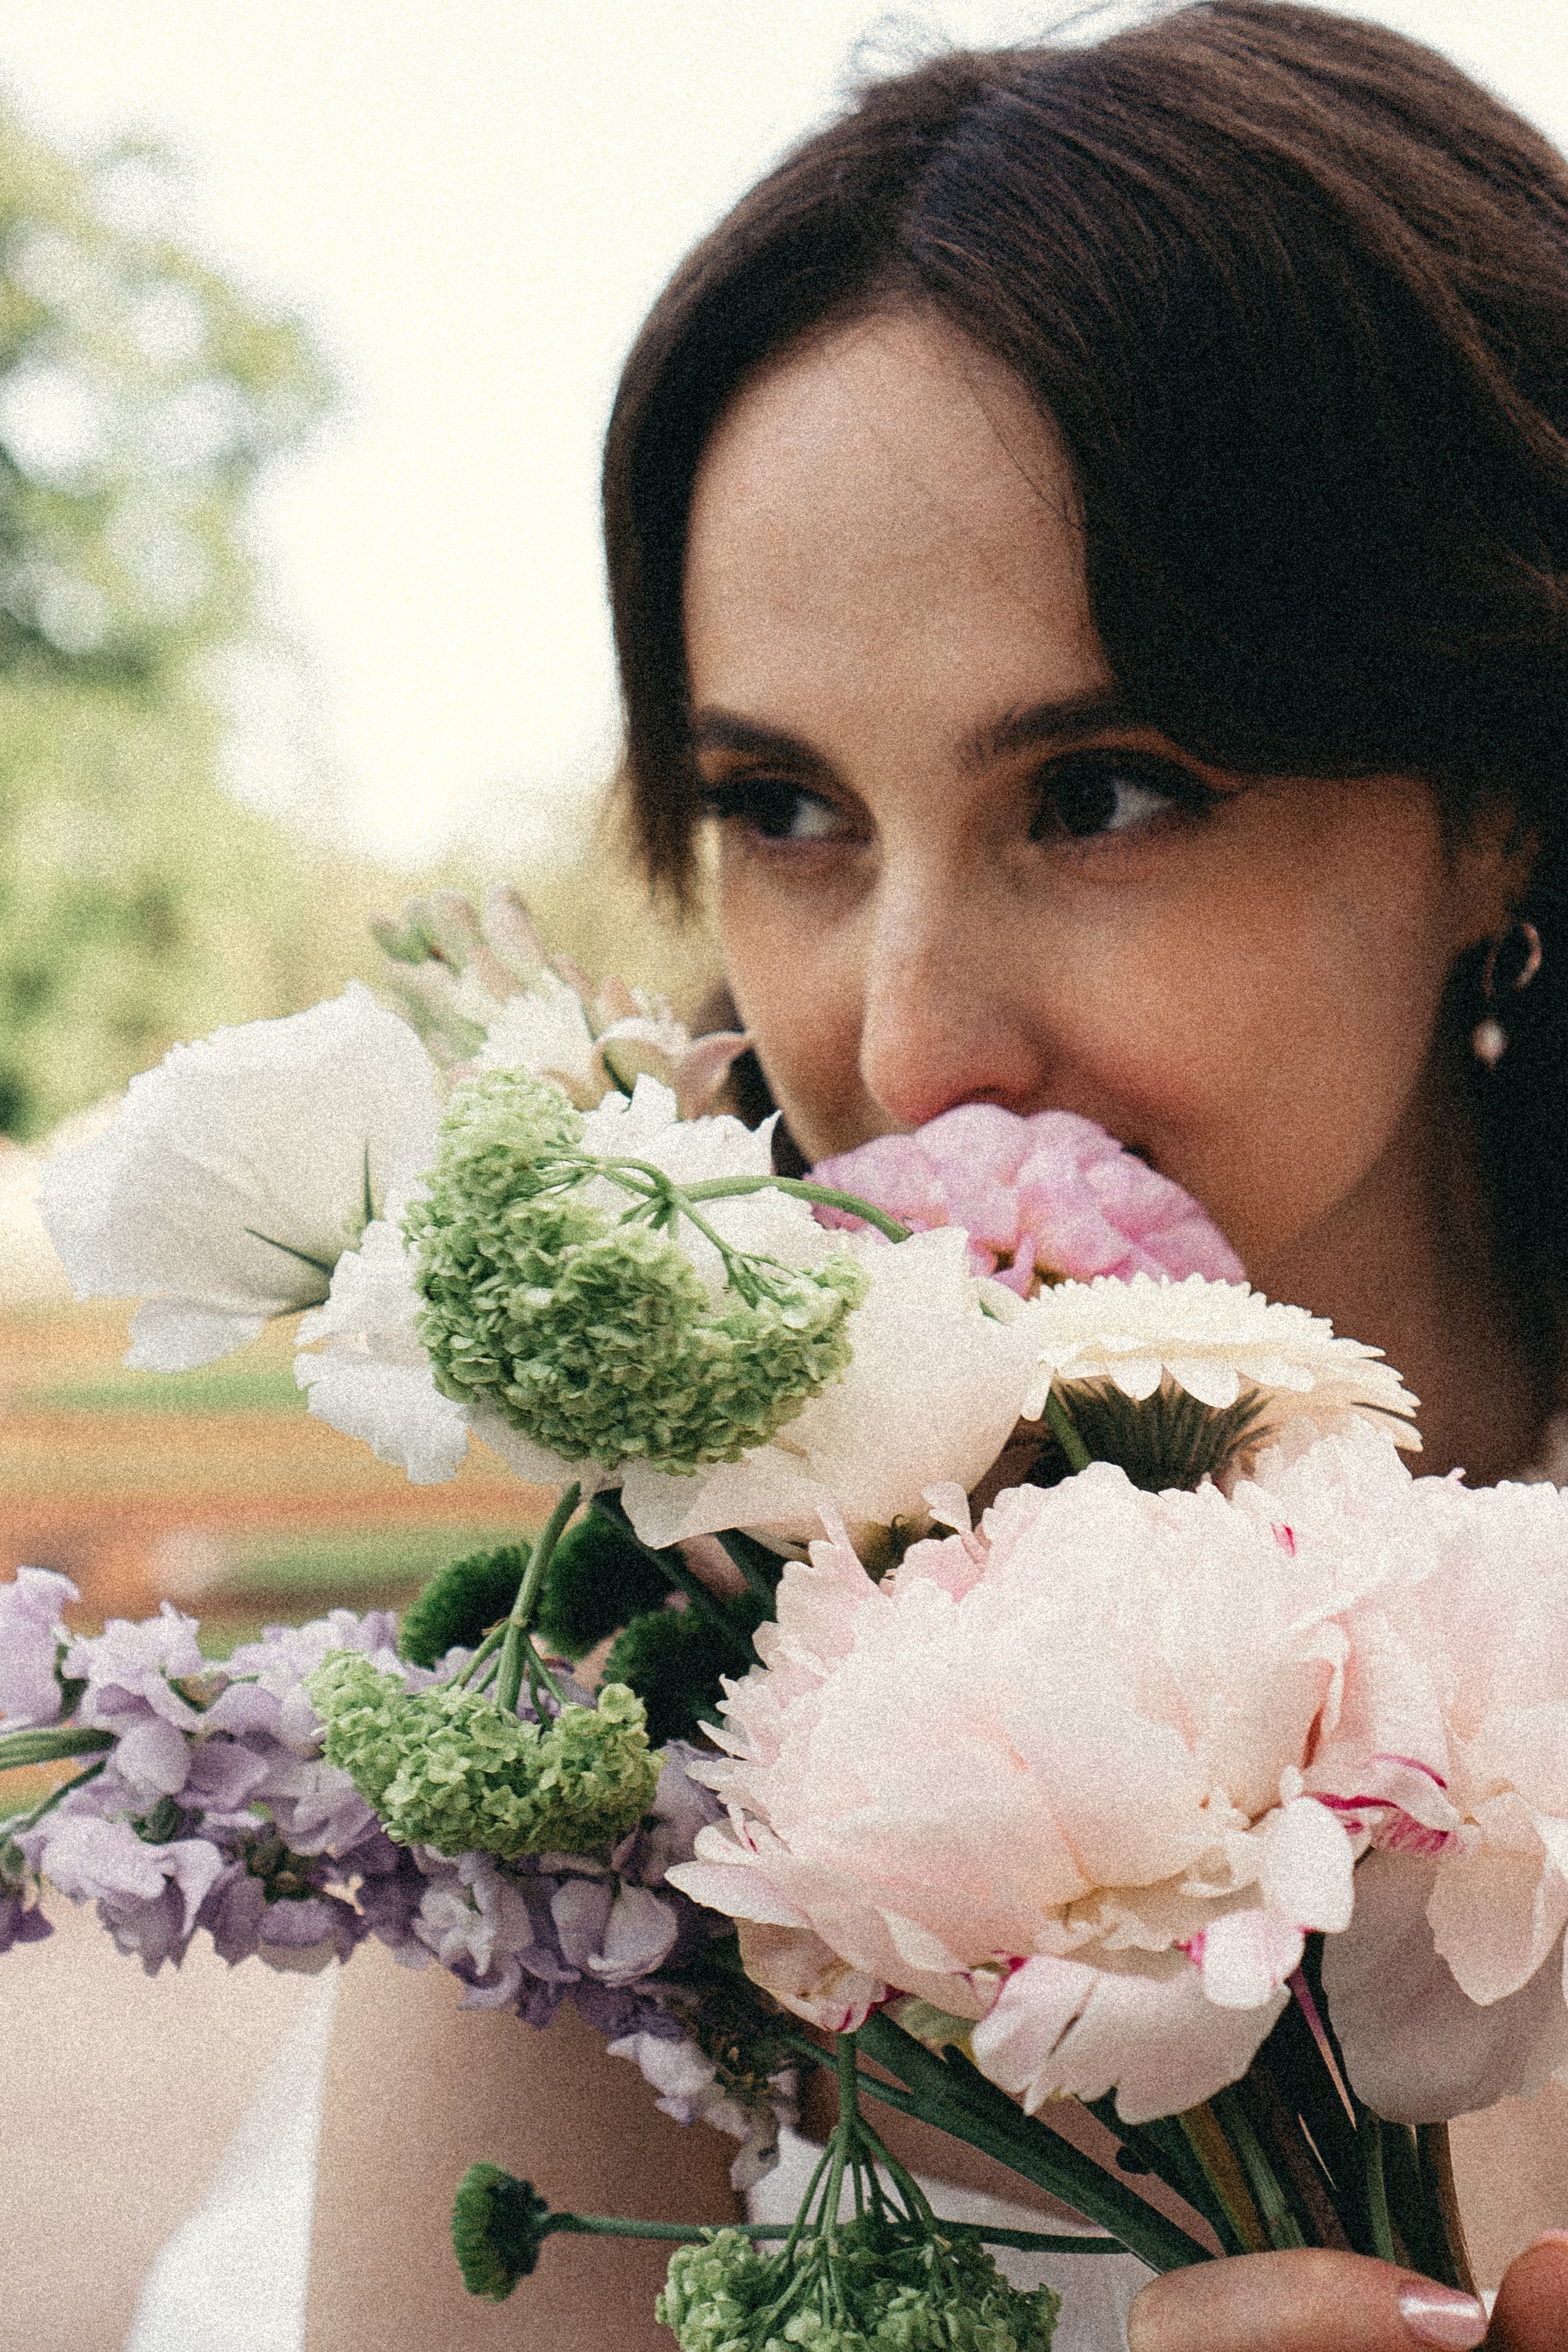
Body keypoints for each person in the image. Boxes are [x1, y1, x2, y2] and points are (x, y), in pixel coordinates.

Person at [307, 6, 1568, 2345]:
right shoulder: (621, 1746)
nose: (894, 1046)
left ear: (1502, 790)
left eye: (1094, 793)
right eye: (785, 813)